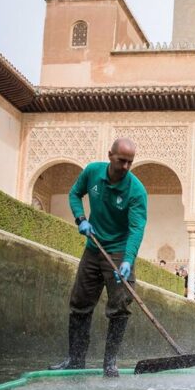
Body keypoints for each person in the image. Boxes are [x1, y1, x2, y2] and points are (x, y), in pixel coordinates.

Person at [49, 138, 148, 377]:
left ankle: (110, 364)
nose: (125, 166)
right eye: (121, 160)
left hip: (119, 252)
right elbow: (74, 194)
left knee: (120, 307)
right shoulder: (93, 172)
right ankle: (75, 360)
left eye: (130, 162)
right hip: (94, 249)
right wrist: (81, 219)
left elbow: (137, 228)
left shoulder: (136, 191)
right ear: (110, 155)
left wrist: (127, 260)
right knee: (80, 304)